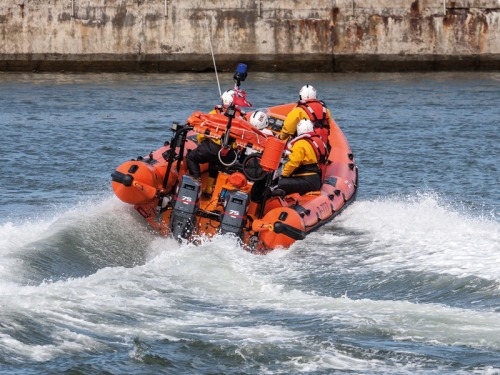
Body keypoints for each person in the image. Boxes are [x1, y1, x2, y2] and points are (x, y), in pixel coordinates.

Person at [272, 119, 328, 196]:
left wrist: (278, 175)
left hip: (305, 180)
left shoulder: (300, 145)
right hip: (316, 179)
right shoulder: (319, 142)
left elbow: (291, 164)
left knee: (273, 184)